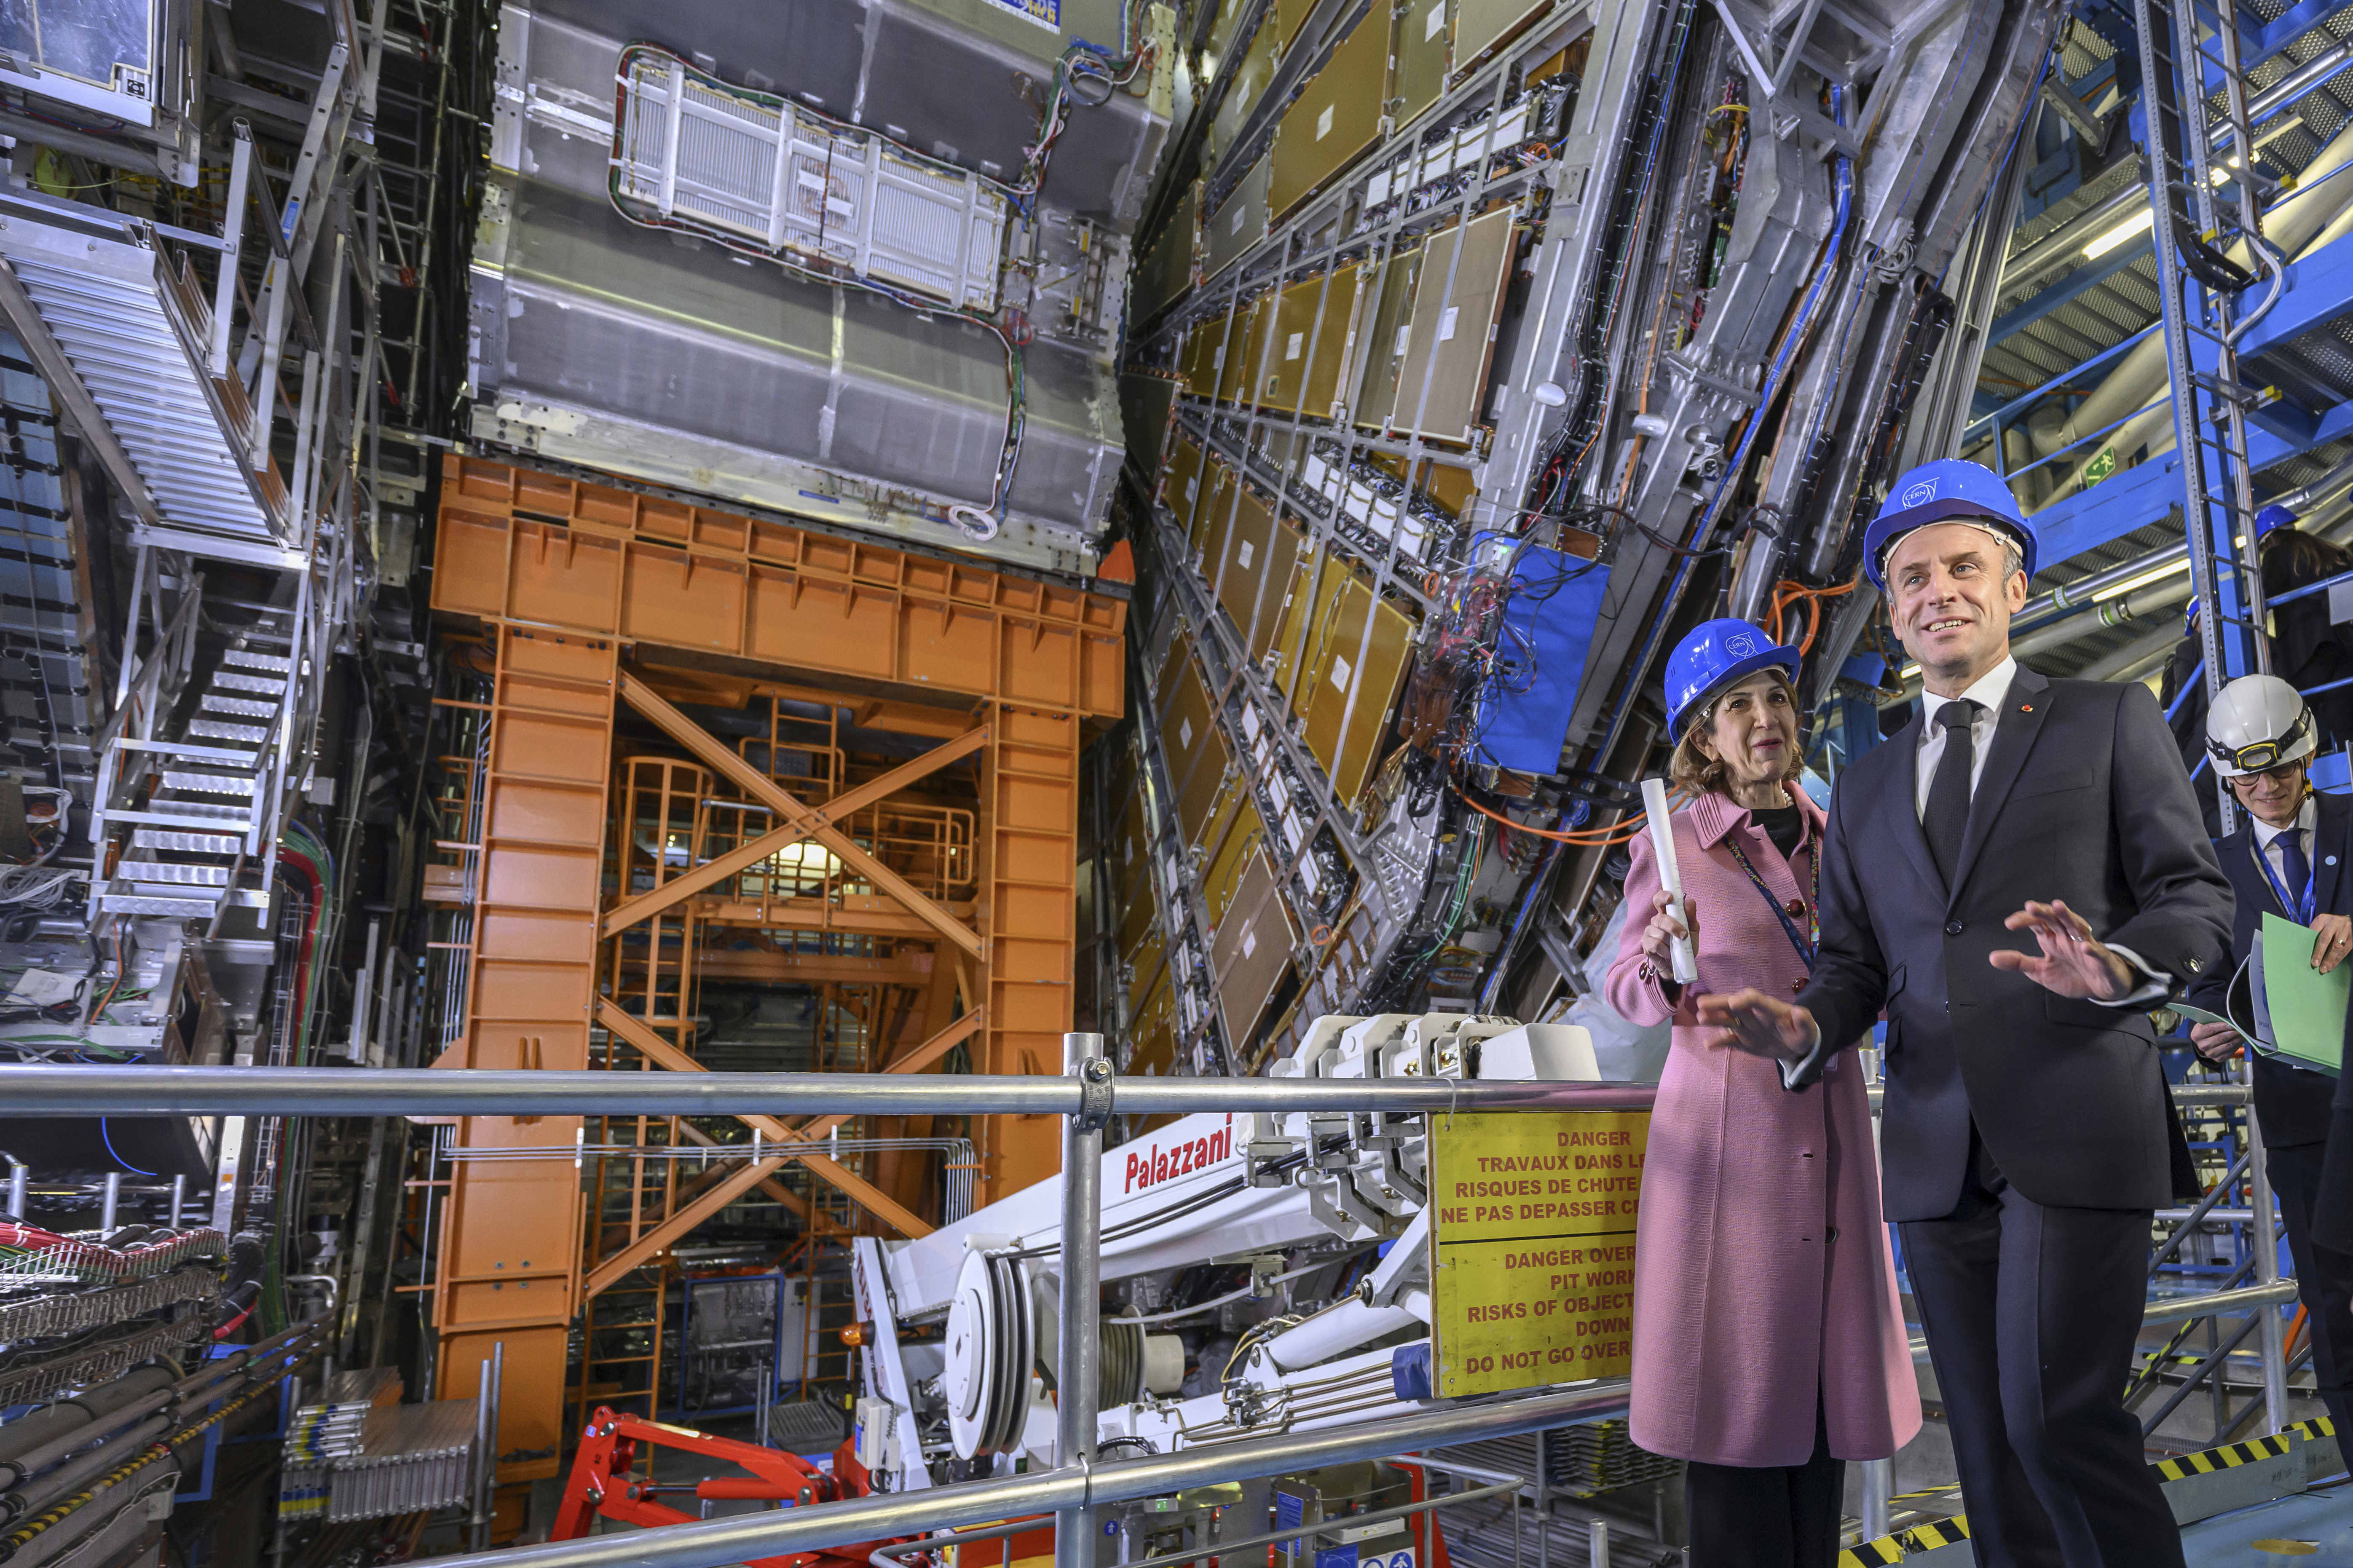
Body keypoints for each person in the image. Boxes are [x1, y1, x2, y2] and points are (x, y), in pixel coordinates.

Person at [1694, 458, 2233, 1568]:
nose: (1936, 590)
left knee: (2057, 1418)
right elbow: (1853, 961)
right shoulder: (1871, 784)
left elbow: (2197, 897)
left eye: (1962, 566)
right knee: (1988, 1447)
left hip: (2077, 1118)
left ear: (2016, 585)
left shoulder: (2107, 722)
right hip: (1939, 1154)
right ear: (1892, 611)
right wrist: (1807, 1030)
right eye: (1911, 576)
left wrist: (2119, 967)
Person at [1604, 619, 1919, 1568]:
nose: (1763, 718)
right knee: (1736, 1412)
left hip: (1827, 1139)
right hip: (1727, 1161)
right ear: (1703, 737)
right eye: (1736, 706)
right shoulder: (1676, 844)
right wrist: (1658, 953)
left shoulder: (1840, 834)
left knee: (1819, 1403)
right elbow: (1626, 988)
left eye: (1775, 697)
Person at [2179, 674, 2353, 1437]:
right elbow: (2217, 980)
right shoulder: (2214, 868)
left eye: (2278, 769)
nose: (2265, 788)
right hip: (2301, 1129)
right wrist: (2211, 1028)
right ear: (2222, 773)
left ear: (2308, 751)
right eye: (2245, 775)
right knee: (2334, 1310)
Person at [2160, 504, 2353, 834]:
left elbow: (2178, 711)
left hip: (2303, 657)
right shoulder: (2328, 552)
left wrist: (2165, 747)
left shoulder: (2190, 649)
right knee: (2334, 714)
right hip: (2342, 647)